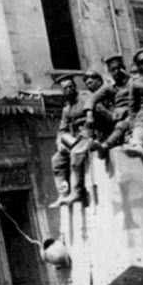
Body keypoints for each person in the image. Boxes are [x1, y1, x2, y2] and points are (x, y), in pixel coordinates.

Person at [49, 75, 97, 207]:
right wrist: (60, 143)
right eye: (65, 88)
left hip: (88, 134)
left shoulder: (85, 98)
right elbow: (62, 129)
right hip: (74, 138)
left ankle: (77, 192)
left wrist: (85, 132)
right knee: (57, 160)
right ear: (62, 91)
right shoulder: (66, 109)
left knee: (76, 154)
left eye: (71, 87)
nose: (68, 90)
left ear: (75, 87)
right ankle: (63, 194)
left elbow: (91, 116)